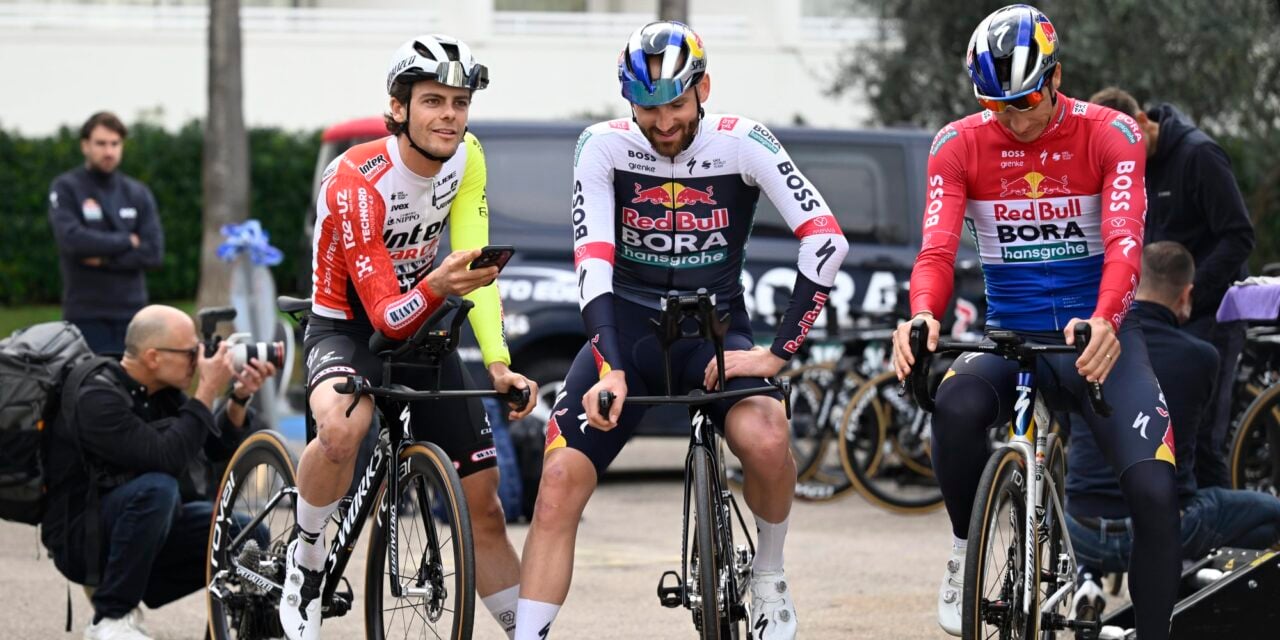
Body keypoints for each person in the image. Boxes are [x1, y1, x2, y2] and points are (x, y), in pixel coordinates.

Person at [515, 21, 848, 640]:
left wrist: (777, 356)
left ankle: (769, 576)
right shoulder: (602, 146)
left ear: (703, 88)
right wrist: (608, 363)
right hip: (627, 337)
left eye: (675, 104)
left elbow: (826, 239)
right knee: (558, 482)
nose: (664, 123)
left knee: (770, 440)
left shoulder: (744, 141)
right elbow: (593, 259)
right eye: (647, 108)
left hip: (713, 338)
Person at [891, 5, 1181, 638]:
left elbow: (1126, 239)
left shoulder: (1111, 134)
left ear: (1056, 78)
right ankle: (967, 548)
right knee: (956, 406)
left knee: (1157, 498)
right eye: (997, 106)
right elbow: (937, 251)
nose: (1014, 120)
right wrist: (920, 316)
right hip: (1013, 339)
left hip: (1099, 340)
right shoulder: (959, 142)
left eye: (1024, 102)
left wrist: (1106, 319)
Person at [284, 34, 537, 640]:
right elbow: (382, 317)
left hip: (417, 317)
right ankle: (306, 557)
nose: (449, 114)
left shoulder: (468, 157)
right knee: (342, 429)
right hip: (346, 323)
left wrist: (498, 364)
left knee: (485, 506)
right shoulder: (353, 181)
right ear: (398, 108)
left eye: (459, 101)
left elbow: (475, 271)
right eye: (432, 101)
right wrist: (441, 285)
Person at [1067, 241, 1280, 614]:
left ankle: (1088, 578)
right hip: (1161, 528)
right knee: (1267, 513)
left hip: (1082, 530)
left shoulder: (1087, 349)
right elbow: (1200, 450)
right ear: (1187, 294)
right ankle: (1193, 597)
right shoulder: (1200, 356)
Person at [40, 305, 275, 640]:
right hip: (85, 540)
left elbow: (210, 447)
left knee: (248, 533)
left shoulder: (159, 393)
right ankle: (110, 617)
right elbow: (164, 457)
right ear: (153, 357)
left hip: (147, 530)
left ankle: (239, 627)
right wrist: (206, 390)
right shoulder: (97, 396)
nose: (199, 360)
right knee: (158, 488)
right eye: (191, 352)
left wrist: (237, 398)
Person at [1088, 87, 1255, 489]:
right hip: (1153, 314)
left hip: (1207, 313)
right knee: (1153, 423)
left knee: (1200, 434)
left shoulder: (1200, 156)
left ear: (1143, 121)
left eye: (1127, 144)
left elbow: (1239, 235)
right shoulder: (1126, 164)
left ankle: (1218, 533)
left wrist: (1193, 291)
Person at [48, 112, 165, 354]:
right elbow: (73, 241)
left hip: (133, 315)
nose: (109, 151)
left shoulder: (137, 193)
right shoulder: (67, 187)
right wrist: (127, 240)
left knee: (133, 389)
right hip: (86, 314)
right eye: (101, 143)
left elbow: (153, 252)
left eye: (115, 143)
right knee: (90, 389)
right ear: (85, 145)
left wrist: (103, 258)